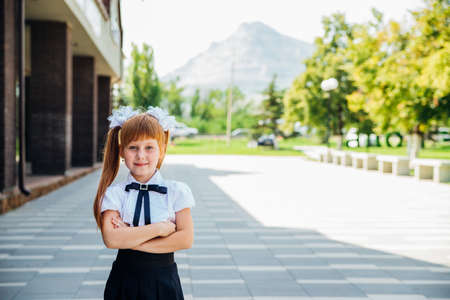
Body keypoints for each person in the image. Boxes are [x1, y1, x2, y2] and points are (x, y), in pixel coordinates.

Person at [93, 106, 195, 300]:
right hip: (124, 282)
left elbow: (185, 239)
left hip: (164, 282)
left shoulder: (176, 191)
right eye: (133, 147)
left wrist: (130, 238)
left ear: (162, 149)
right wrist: (158, 229)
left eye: (149, 147)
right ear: (122, 152)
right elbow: (112, 240)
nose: (141, 155)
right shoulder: (114, 194)